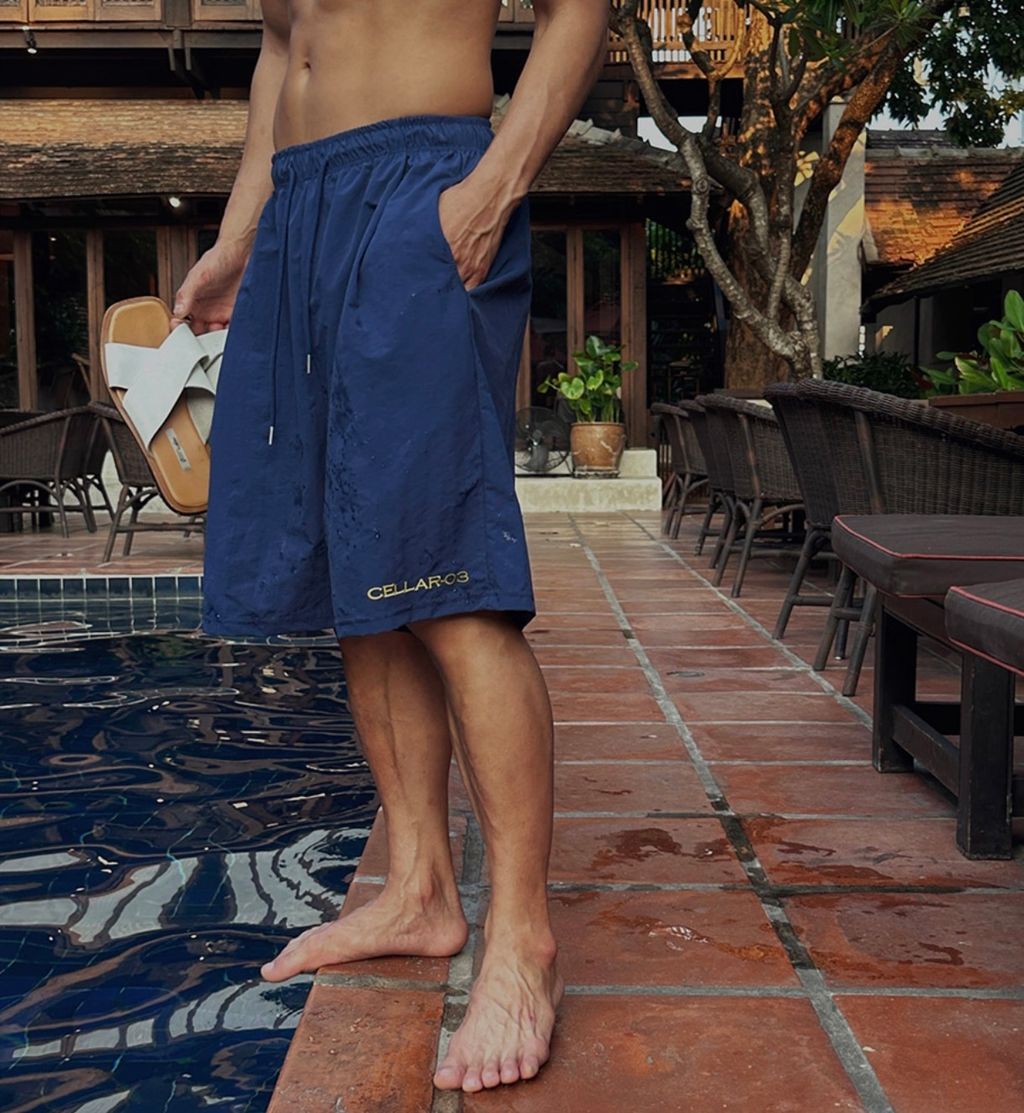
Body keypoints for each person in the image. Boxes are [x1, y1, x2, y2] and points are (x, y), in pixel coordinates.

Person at [171, 0, 609, 1095]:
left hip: (421, 185)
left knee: (449, 581)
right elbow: (284, 46)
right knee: (356, 574)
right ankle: (417, 886)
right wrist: (240, 239)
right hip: (299, 211)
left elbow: (579, 7)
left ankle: (524, 940)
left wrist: (494, 187)